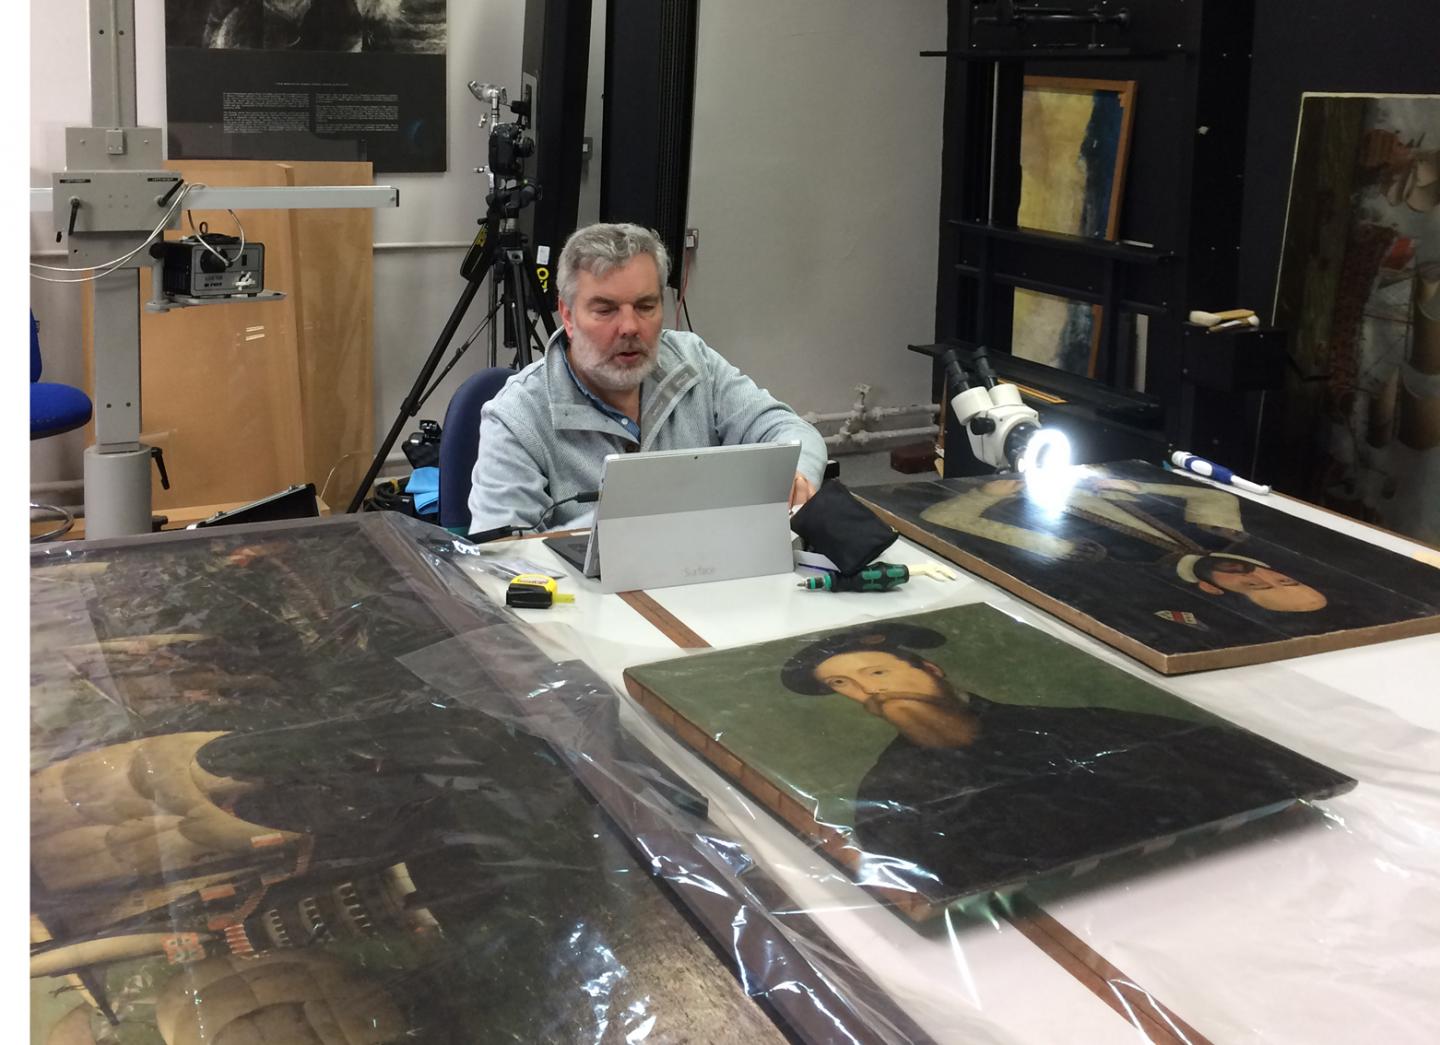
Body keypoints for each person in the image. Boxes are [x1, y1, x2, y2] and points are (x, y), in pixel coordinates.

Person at [779, 622, 1346, 899]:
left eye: (876, 672)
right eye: (844, 686)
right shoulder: (888, 794)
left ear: (930, 670)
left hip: (1264, 881)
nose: (867, 692)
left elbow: (1237, 771)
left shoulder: (1090, 725)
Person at [467, 223, 827, 534]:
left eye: (645, 306)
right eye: (605, 309)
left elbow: (787, 428)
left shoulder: (693, 362)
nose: (629, 327)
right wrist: (629, 520)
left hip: (704, 584)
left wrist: (796, 475)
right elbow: (504, 554)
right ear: (568, 316)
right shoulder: (517, 415)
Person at [918, 474, 1329, 613]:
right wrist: (1134, 485)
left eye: (1254, 587)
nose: (1258, 575)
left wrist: (988, 495)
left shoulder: (1119, 568)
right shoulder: (1217, 534)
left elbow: (941, 519)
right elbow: (1216, 496)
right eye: (1280, 580)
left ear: (1211, 588)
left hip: (1017, 494)